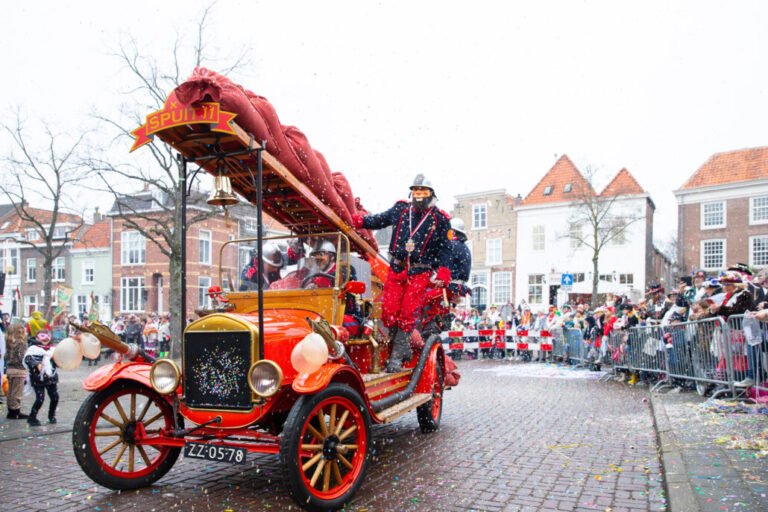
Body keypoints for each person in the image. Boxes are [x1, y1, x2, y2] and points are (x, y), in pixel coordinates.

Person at [353, 173, 451, 372]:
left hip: (420, 272)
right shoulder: (400, 210)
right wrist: (360, 221)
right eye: (416, 191)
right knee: (389, 312)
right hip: (397, 269)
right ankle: (403, 347)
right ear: (411, 193)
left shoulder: (440, 220)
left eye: (423, 191)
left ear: (431, 194)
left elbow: (446, 249)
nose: (419, 195)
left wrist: (443, 273)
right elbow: (379, 220)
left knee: (407, 313)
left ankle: (397, 356)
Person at [24, 331, 59, 426]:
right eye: (42, 336)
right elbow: (28, 359)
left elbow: (58, 361)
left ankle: (51, 416)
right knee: (40, 399)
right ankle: (32, 417)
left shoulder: (53, 349)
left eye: (47, 336)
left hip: (51, 378)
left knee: (55, 397)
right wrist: (36, 365)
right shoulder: (33, 349)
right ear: (37, 338)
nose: (45, 339)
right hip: (38, 378)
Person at [5, 320, 29, 419]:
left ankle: (10, 410)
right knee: (17, 392)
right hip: (19, 370)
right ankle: (15, 412)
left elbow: (6, 356)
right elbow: (21, 357)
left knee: (10, 391)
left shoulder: (9, 342)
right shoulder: (21, 343)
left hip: (10, 369)